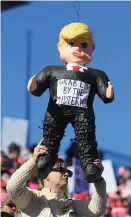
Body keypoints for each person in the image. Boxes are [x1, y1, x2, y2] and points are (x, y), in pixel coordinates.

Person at [27, 22, 114, 183]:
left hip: (83, 113)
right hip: (56, 111)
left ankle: (90, 166)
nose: (77, 48)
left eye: (84, 44)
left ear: (92, 48)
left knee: (86, 137)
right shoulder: (51, 70)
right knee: (52, 134)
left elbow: (105, 95)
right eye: (71, 43)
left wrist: (108, 94)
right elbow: (37, 88)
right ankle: (46, 159)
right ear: (60, 47)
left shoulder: (96, 74)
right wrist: (34, 86)